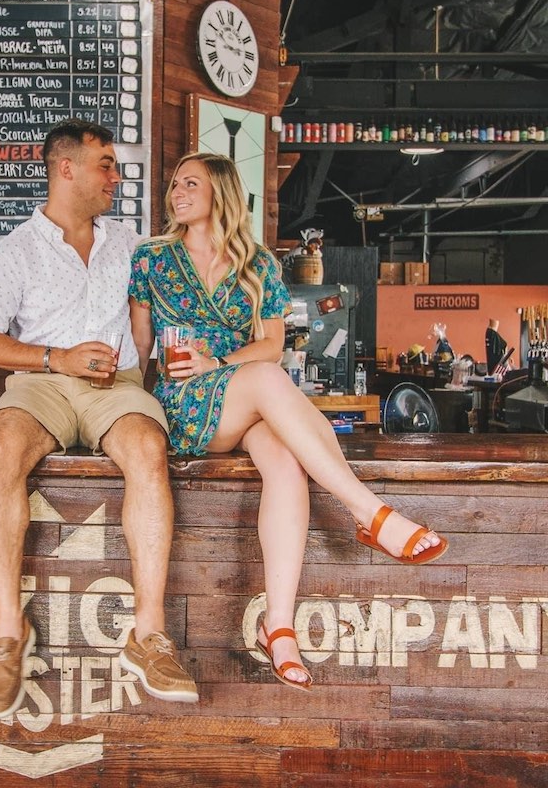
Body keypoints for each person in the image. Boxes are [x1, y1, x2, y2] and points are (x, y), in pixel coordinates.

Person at [129, 152, 449, 692]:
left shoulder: (259, 264)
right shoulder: (150, 258)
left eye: (190, 184)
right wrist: (131, 413)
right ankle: (369, 512)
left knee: (284, 463)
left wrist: (216, 363)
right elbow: (140, 348)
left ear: (221, 194)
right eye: (174, 184)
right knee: (268, 381)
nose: (175, 192)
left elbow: (273, 345)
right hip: (181, 403)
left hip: (244, 400)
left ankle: (278, 627)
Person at [0, 119, 198, 719]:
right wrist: (55, 357)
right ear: (66, 169)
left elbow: (182, 288)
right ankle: (8, 632)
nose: (116, 177)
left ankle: (148, 636)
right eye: (106, 165)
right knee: (0, 448)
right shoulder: (11, 252)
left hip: (114, 388)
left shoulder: (130, 245)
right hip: (40, 382)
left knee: (148, 448)